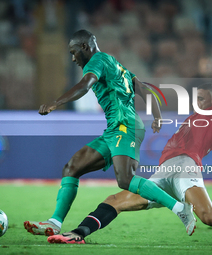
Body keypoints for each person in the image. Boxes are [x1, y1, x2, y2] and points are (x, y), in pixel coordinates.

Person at [46, 27, 212, 246]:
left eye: (202, 99)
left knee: (209, 217)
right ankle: (79, 233)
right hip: (165, 170)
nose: (197, 103)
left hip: (185, 167)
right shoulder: (197, 116)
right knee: (116, 200)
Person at [24, 30, 196, 237]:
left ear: (85, 48)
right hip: (116, 128)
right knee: (72, 167)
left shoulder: (96, 61)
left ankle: (180, 209)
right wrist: (157, 115)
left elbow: (84, 85)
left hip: (125, 126)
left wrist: (55, 102)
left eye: (74, 52)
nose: (73, 58)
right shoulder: (114, 63)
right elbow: (142, 87)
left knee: (125, 180)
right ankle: (54, 223)